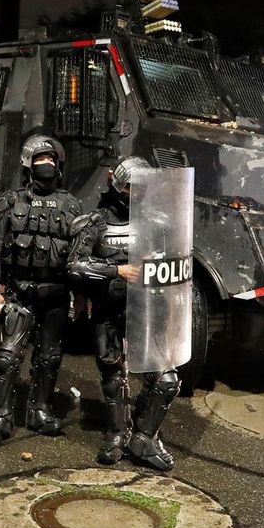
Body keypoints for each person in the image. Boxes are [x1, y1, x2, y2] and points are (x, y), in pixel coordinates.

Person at [67, 155, 182, 471]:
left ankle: (145, 437)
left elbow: (175, 266)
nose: (137, 193)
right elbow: (75, 265)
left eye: (142, 187)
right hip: (108, 309)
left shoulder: (159, 224)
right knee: (113, 377)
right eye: (131, 187)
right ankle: (118, 432)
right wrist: (116, 270)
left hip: (147, 311)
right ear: (116, 184)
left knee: (166, 379)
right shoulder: (95, 224)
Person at [0, 134, 83, 445]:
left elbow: (80, 254)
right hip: (19, 291)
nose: (46, 165)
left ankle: (40, 411)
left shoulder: (71, 205)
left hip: (56, 294)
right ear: (28, 165)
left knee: (49, 357)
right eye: (40, 160)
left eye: (50, 160)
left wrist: (81, 295)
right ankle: (1, 417)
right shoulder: (9, 203)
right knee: (8, 356)